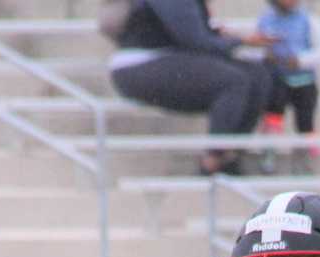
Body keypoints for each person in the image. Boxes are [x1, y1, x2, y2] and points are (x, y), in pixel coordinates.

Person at [107, 0, 273, 176]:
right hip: (139, 65)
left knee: (258, 76)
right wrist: (239, 40)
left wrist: (227, 36)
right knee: (234, 81)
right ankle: (211, 162)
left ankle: (230, 156)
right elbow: (196, 42)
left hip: (173, 58)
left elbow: (202, 38)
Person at [253, 0, 320, 176]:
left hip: (303, 80)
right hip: (276, 80)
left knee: (305, 122)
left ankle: (303, 158)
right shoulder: (266, 20)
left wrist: (300, 60)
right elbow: (255, 46)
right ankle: (269, 153)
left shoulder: (309, 20)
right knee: (273, 117)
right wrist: (266, 54)